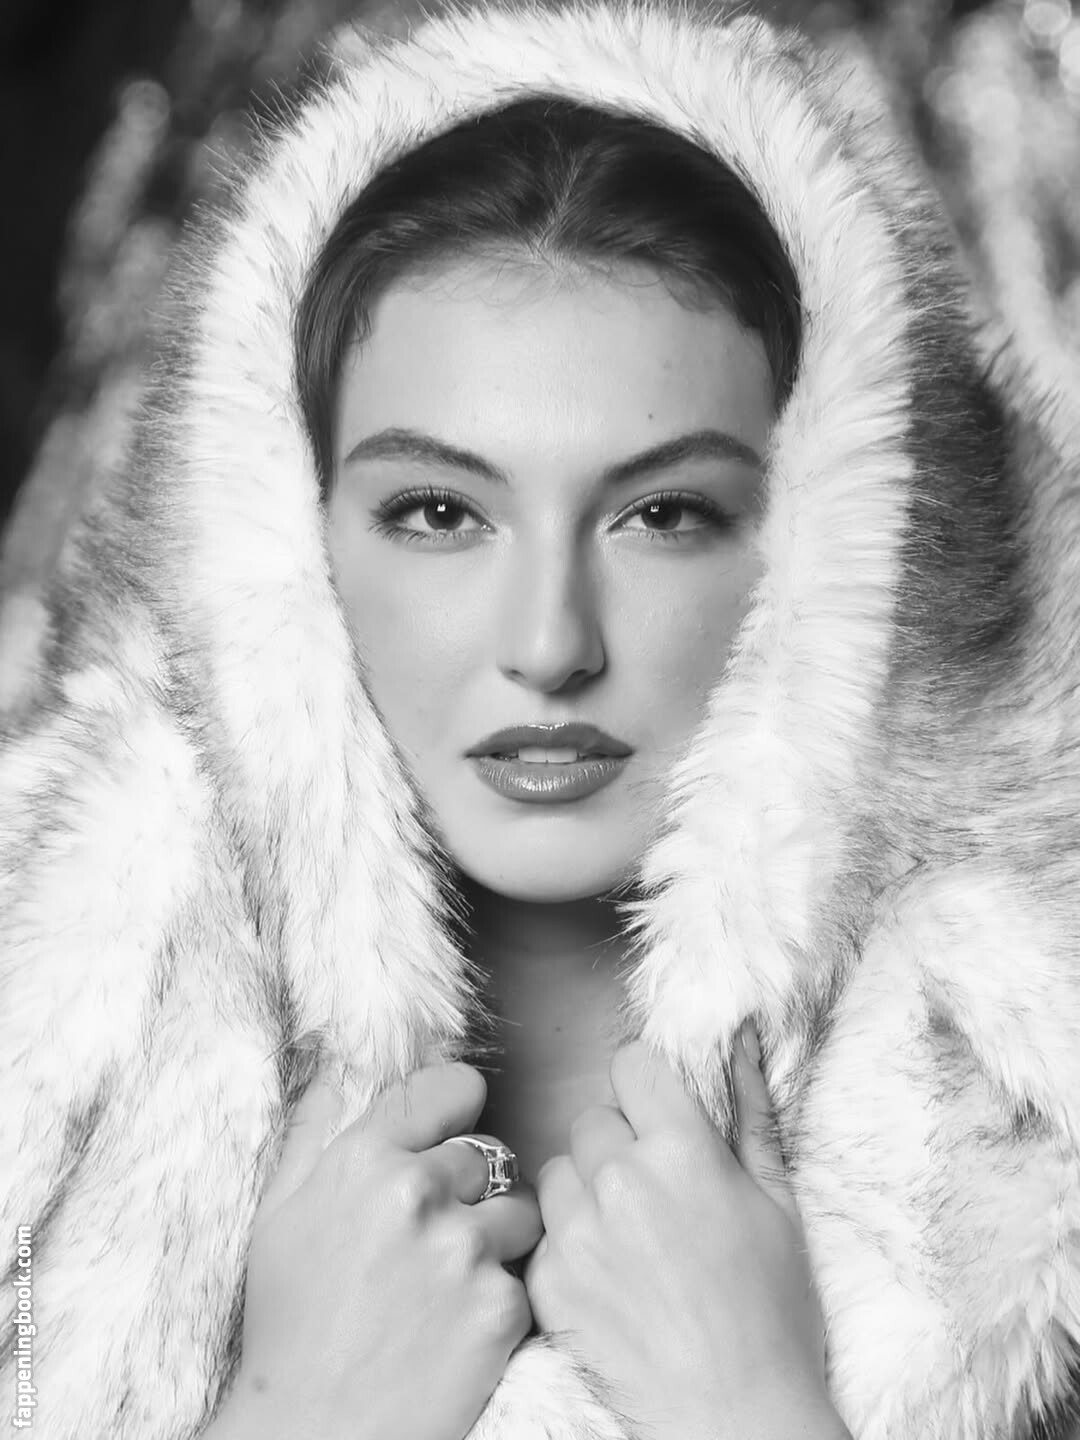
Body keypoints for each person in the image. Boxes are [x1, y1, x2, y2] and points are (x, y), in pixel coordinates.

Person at [2, 4, 1079, 1440]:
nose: (551, 645)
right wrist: (301, 1410)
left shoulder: (1036, 1109)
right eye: (438, 513)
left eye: (664, 514)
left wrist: (750, 1401)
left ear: (830, 556)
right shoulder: (53, 1043)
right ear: (284, 544)